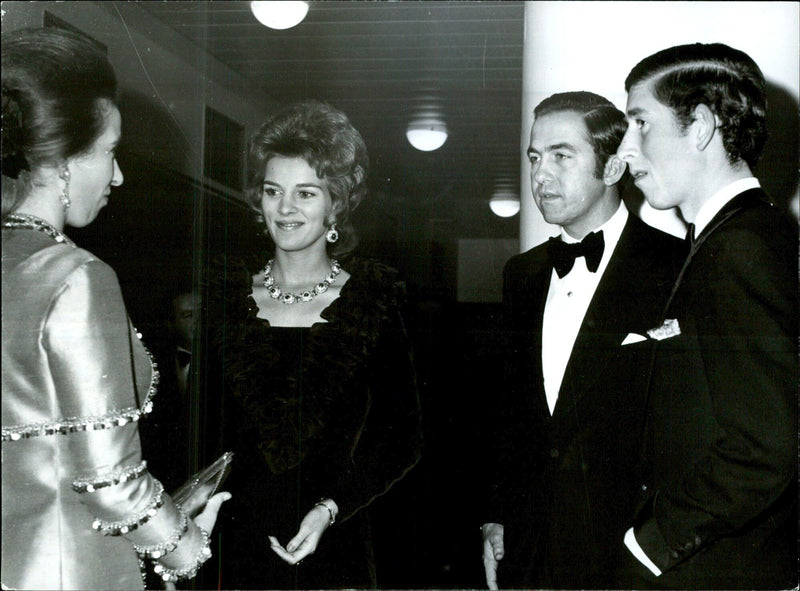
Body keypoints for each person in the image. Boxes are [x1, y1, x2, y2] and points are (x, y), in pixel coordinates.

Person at [1, 26, 228, 590]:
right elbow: (111, 481)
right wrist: (187, 546)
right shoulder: (78, 276)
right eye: (108, 152)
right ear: (62, 163)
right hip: (70, 571)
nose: (119, 174)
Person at [207, 100, 423, 589]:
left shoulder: (372, 303)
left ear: (336, 204)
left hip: (335, 541)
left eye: (305, 193)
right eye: (272, 191)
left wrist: (330, 508)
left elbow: (401, 440)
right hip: (233, 545)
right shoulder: (226, 301)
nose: (285, 209)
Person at [480, 91, 683, 589]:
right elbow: (507, 411)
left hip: (632, 556)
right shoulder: (521, 274)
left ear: (613, 169)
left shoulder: (676, 268)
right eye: (534, 157)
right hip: (528, 548)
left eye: (561, 156)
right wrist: (494, 516)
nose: (539, 175)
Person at [616, 43, 797, 589]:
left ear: (700, 127)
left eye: (640, 123)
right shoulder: (739, 237)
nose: (625, 150)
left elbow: (768, 446)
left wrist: (649, 545)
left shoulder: (738, 249)